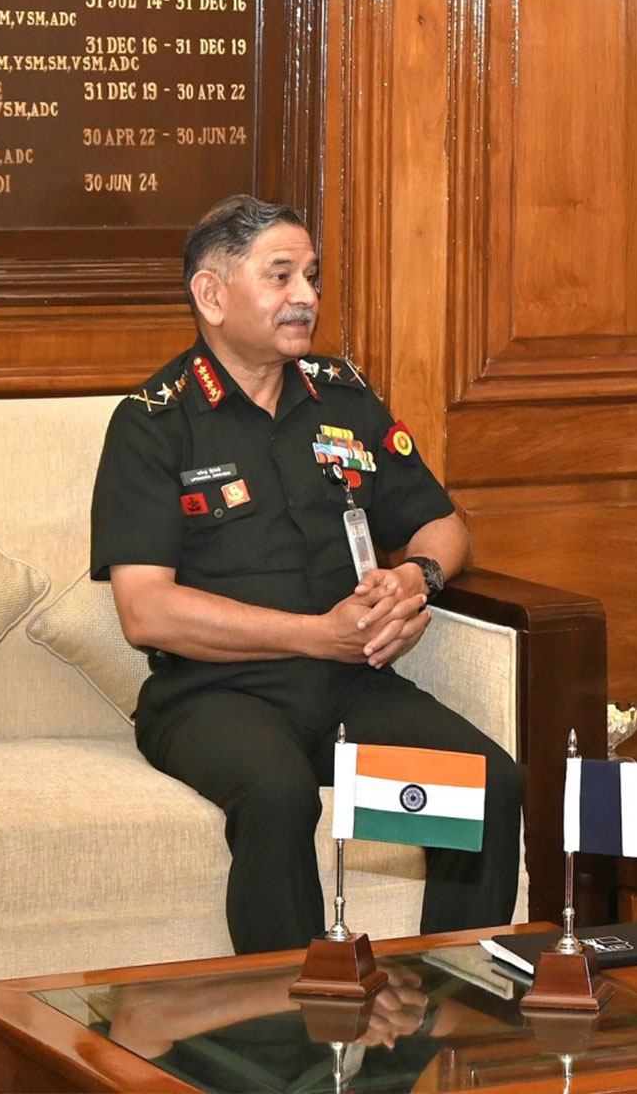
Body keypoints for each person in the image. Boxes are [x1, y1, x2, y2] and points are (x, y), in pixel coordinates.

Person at [90, 194, 522, 955]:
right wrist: (317, 635)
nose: (307, 298)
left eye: (313, 277)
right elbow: (146, 612)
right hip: (211, 697)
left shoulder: (344, 400)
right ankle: (285, 1043)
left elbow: (445, 526)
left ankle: (456, 1025)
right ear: (212, 295)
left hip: (349, 690)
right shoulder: (154, 421)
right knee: (280, 794)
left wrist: (416, 578)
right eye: (281, 276)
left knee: (483, 783)